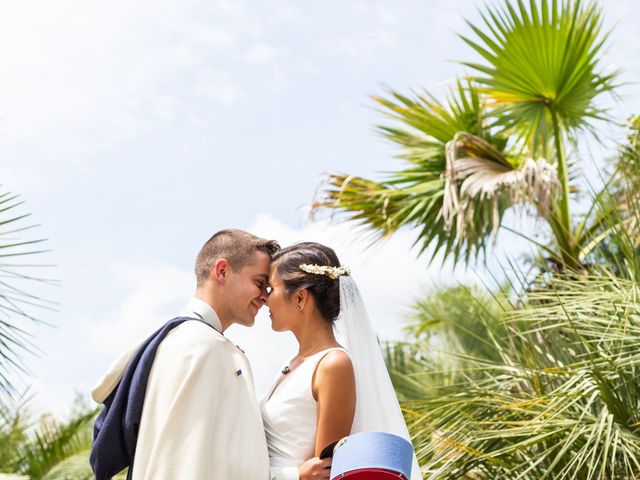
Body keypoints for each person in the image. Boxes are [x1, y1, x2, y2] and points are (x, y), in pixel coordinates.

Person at [90, 229, 280, 480]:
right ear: (222, 271)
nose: (265, 297)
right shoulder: (206, 348)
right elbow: (207, 461)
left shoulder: (171, 342)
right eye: (259, 283)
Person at [262, 242, 422, 480]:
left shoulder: (332, 365)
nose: (264, 299)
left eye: (270, 289)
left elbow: (325, 471)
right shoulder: (293, 363)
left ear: (300, 298)